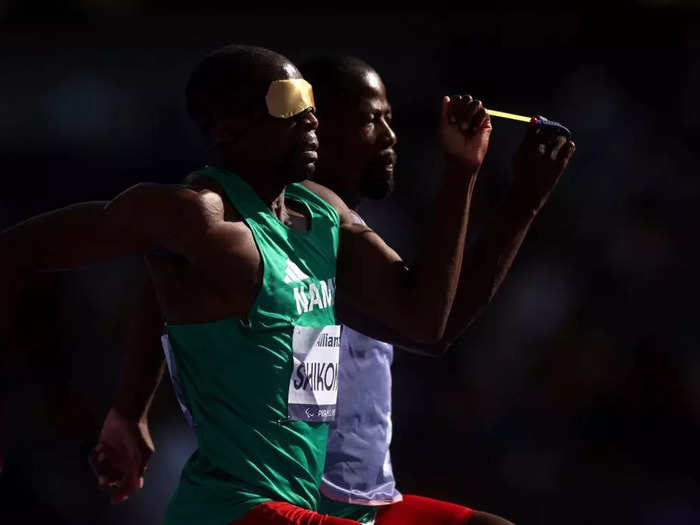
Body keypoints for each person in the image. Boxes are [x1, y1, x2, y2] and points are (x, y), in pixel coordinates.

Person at [0, 45, 493, 525]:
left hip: (303, 502)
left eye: (312, 103)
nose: (311, 120)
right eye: (288, 103)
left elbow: (426, 322)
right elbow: (18, 252)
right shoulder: (193, 216)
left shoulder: (321, 214)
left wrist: (462, 172)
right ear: (228, 128)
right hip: (234, 509)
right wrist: (128, 408)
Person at [89, 56, 575, 524]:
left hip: (364, 494)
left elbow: (429, 320)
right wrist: (511, 198)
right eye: (371, 121)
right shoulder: (293, 244)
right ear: (321, 129)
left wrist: (130, 410)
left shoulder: (333, 229)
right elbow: (431, 328)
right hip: (309, 499)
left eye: (390, 121)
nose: (390, 138)